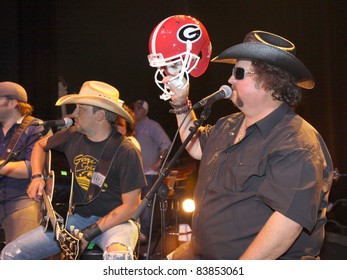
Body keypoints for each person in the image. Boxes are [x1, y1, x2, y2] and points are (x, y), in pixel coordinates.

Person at [153, 30, 334, 259]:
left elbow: (287, 224)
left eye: (238, 72)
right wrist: (180, 102)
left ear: (269, 83)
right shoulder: (227, 124)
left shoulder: (297, 142)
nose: (230, 79)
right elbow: (197, 147)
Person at [1, 80, 147, 260]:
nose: (74, 113)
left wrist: (88, 234)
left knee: (118, 257)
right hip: (77, 219)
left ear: (100, 115)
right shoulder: (72, 135)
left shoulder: (126, 151)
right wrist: (37, 177)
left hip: (117, 222)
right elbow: (39, 146)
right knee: (10, 254)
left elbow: (131, 206)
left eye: (81, 109)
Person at [0, 81, 46, 244]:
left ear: (12, 103)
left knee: (21, 251)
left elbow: (30, 167)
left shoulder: (36, 127)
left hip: (21, 200)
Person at [133, 99, 172, 244]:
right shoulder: (132, 127)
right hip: (134, 174)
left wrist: (159, 161)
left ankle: (146, 238)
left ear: (145, 110)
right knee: (133, 205)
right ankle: (135, 235)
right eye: (134, 108)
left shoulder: (152, 126)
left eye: (138, 108)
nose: (135, 111)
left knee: (146, 207)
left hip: (149, 173)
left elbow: (166, 143)